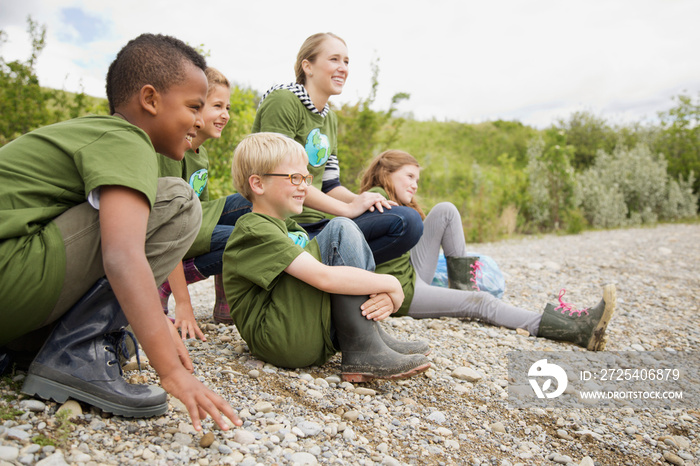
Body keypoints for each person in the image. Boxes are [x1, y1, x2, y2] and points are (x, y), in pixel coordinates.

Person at [0, 33, 241, 431]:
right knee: (179, 202)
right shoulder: (125, 137)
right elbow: (122, 255)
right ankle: (74, 355)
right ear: (149, 100)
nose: (200, 120)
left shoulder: (93, 133)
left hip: (15, 287)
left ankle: (40, 347)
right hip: (11, 277)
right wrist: (172, 371)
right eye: (194, 106)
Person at [222, 133, 431, 382]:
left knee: (342, 231)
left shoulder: (290, 228)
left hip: (303, 331)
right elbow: (324, 277)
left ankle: (368, 337)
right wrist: (391, 284)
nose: (304, 186)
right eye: (295, 178)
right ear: (258, 184)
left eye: (306, 178)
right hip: (280, 338)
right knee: (339, 229)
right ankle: (363, 349)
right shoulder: (253, 229)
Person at [360, 150, 617, 351]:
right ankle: (576, 330)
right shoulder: (375, 198)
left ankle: (463, 294)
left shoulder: (395, 205)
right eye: (409, 176)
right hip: (403, 291)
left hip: (409, 272)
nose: (415, 185)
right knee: (483, 302)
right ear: (386, 174)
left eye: (417, 179)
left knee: (445, 210)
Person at [252, 32, 422, 265]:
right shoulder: (284, 101)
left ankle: (334, 273)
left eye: (346, 61)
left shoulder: (329, 118)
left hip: (318, 223)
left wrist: (363, 200)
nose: (343, 67)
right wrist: (348, 209)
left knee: (406, 221)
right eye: (334, 59)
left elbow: (330, 185)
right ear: (308, 67)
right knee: (403, 221)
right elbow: (280, 179)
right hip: (283, 224)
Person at [158, 67, 252, 332]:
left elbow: (204, 209)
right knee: (242, 236)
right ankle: (163, 282)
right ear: (197, 107)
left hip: (192, 224)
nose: (226, 115)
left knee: (253, 207)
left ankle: (225, 303)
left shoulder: (202, 154)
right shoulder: (170, 149)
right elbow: (167, 227)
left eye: (228, 107)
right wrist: (184, 304)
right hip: (165, 235)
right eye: (218, 105)